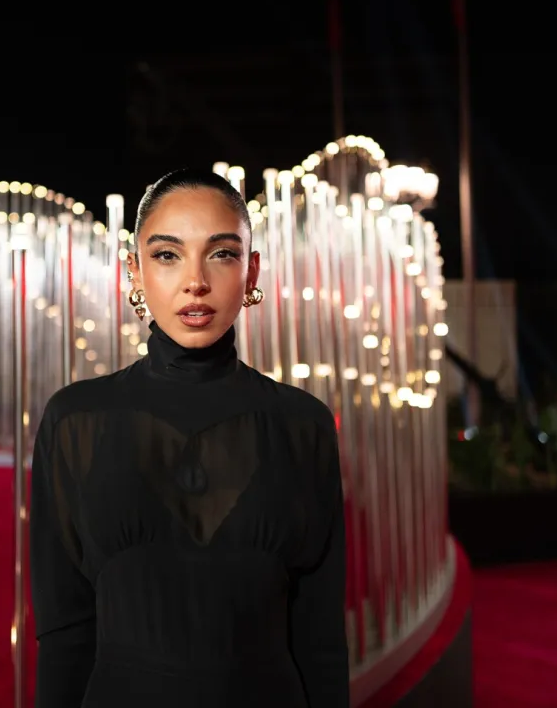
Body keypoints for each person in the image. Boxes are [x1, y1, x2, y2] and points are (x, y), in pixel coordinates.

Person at [29, 168, 350, 707]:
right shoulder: (74, 421)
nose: (195, 280)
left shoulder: (303, 425)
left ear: (251, 272)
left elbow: (321, 641)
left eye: (221, 253)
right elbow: (64, 632)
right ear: (134, 270)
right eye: (167, 254)